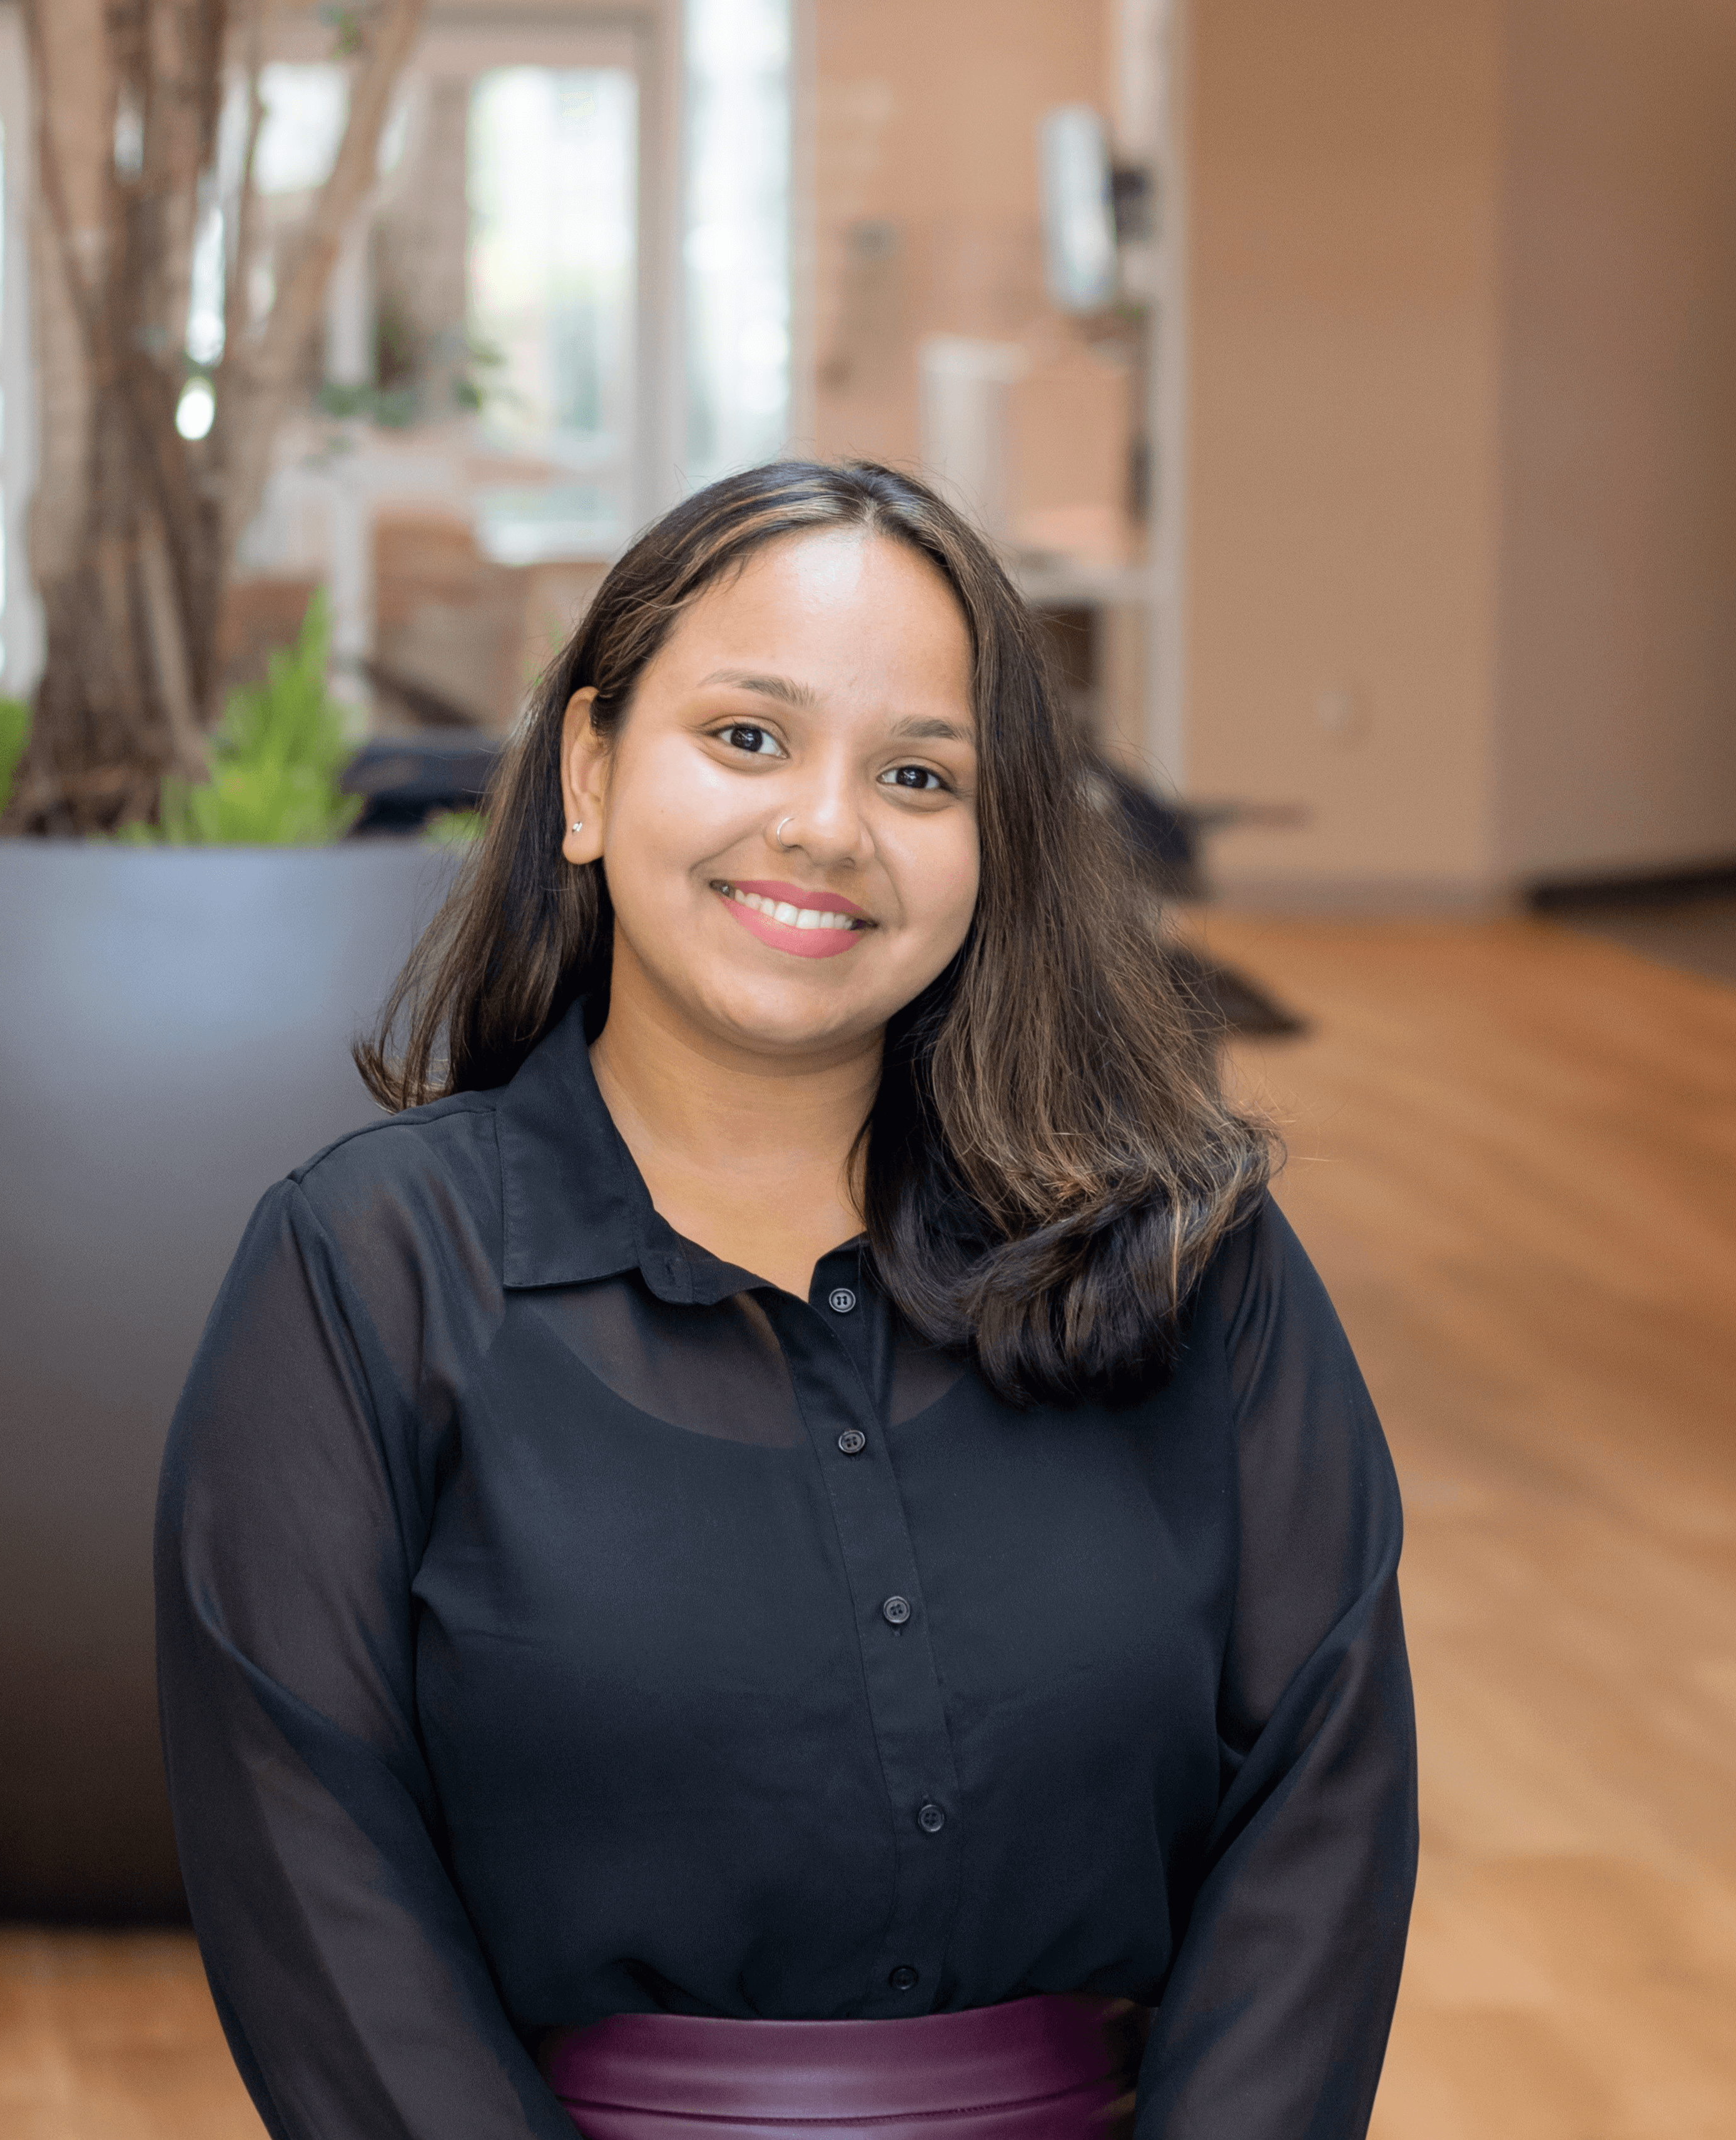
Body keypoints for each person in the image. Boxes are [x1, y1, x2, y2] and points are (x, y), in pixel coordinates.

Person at [155, 460, 1418, 2140]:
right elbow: (311, 1880)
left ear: (997, 846)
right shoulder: (368, 1272)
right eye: (746, 736)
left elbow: (1318, 1826)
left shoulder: (1190, 1257)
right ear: (588, 776)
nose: (826, 824)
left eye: (916, 772)